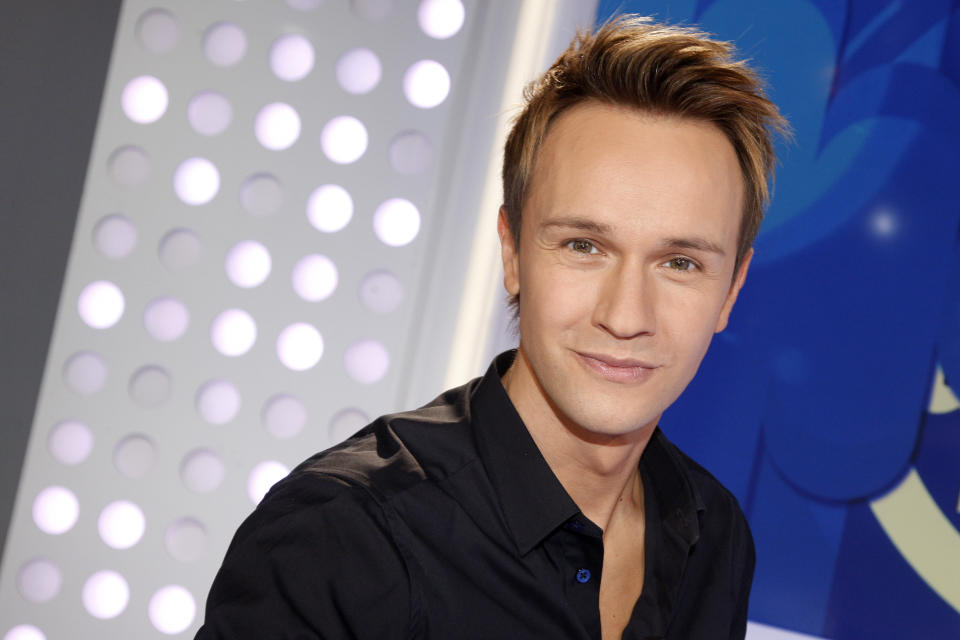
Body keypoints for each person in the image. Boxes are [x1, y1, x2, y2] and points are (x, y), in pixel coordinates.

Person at [196, 15, 787, 640]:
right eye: (584, 245)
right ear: (512, 253)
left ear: (732, 289)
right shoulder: (341, 537)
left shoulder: (714, 536)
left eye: (679, 262)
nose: (626, 316)